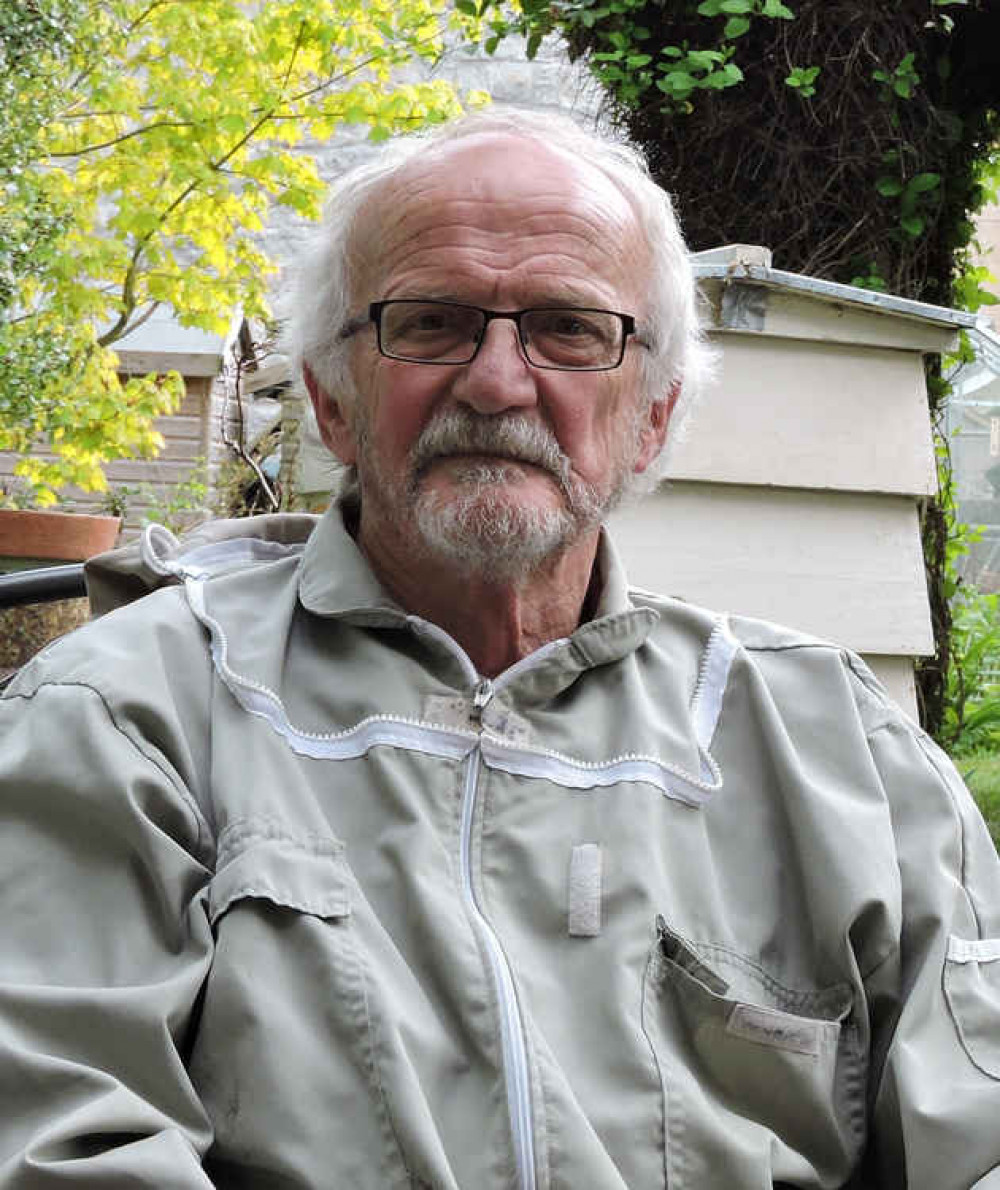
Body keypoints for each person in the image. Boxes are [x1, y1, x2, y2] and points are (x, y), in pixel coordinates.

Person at [1, 108, 998, 1190]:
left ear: (653, 417)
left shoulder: (839, 753)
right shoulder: (131, 714)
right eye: (429, 323)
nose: (496, 379)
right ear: (333, 400)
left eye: (569, 328)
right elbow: (66, 1143)